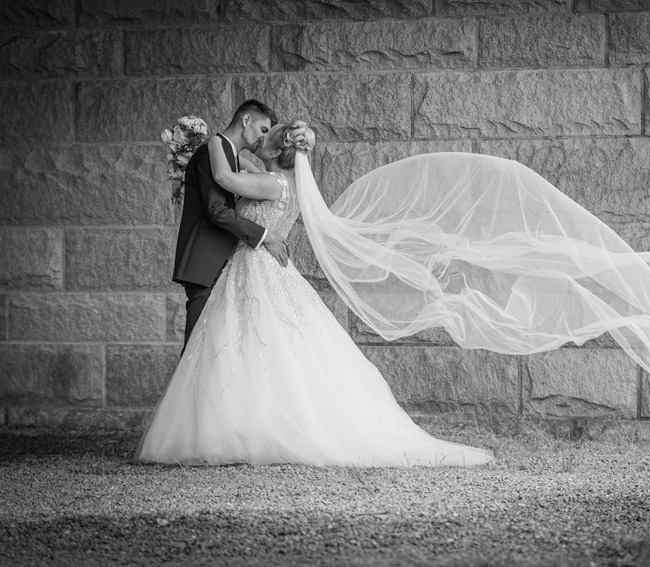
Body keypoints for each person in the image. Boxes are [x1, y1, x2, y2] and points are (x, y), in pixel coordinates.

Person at [136, 121, 496, 467]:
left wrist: (213, 142)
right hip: (268, 268)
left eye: (265, 138)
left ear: (277, 149)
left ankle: (247, 426)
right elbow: (244, 169)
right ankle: (251, 424)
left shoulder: (272, 183)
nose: (258, 143)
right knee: (268, 345)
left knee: (252, 342)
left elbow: (227, 178)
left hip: (255, 265)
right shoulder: (288, 183)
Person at [171, 100, 290, 352]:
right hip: (206, 265)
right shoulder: (209, 153)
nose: (263, 138)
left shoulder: (228, 157)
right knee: (195, 353)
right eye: (263, 129)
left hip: (223, 265)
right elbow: (217, 211)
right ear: (246, 120)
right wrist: (265, 235)